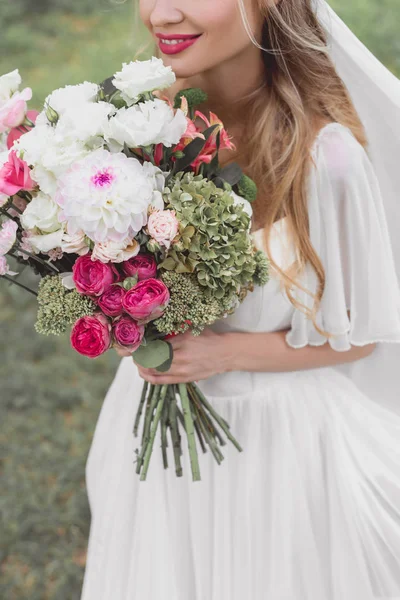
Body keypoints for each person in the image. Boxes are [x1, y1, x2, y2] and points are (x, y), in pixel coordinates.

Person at [81, 0, 400, 598]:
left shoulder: (325, 157)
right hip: (146, 428)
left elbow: (359, 336)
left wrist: (222, 355)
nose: (162, 13)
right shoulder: (138, 129)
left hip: (278, 448)